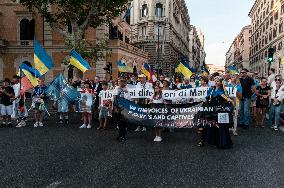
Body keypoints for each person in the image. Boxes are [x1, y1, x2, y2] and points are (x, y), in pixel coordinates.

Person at [204, 76, 233, 149]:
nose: (216, 83)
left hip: (221, 111)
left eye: (218, 81)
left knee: (222, 127)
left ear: (221, 82)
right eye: (215, 81)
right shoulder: (211, 90)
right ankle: (215, 141)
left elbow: (228, 100)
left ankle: (223, 143)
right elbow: (207, 98)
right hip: (213, 111)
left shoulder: (223, 91)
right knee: (214, 125)